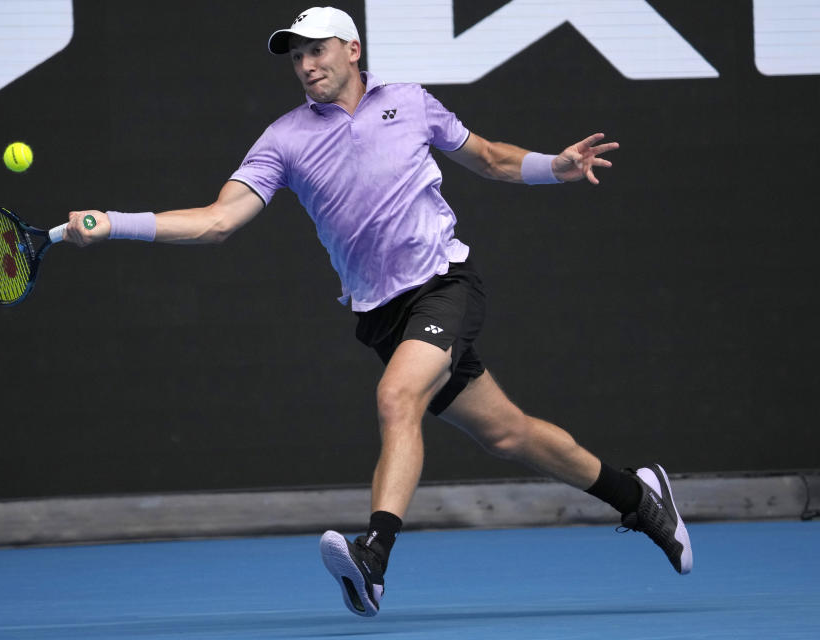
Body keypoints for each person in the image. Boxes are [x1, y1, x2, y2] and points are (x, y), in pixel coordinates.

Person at [66, 6, 693, 618]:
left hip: (444, 284)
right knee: (508, 433)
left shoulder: (410, 102)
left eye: (317, 50)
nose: (306, 65)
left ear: (352, 50)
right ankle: (640, 495)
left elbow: (491, 158)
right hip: (382, 315)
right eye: (296, 56)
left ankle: (374, 557)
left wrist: (554, 168)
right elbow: (216, 221)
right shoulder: (283, 139)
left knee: (397, 397)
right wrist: (113, 223)